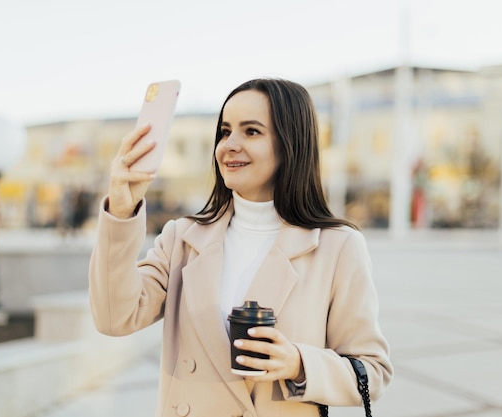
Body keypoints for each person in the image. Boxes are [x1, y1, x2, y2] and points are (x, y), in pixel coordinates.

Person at [89, 78, 393, 417]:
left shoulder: (338, 247)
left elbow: (373, 372)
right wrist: (120, 213)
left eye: (251, 131)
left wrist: (299, 363)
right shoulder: (182, 238)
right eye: (224, 131)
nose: (229, 145)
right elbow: (114, 318)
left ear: (290, 143)